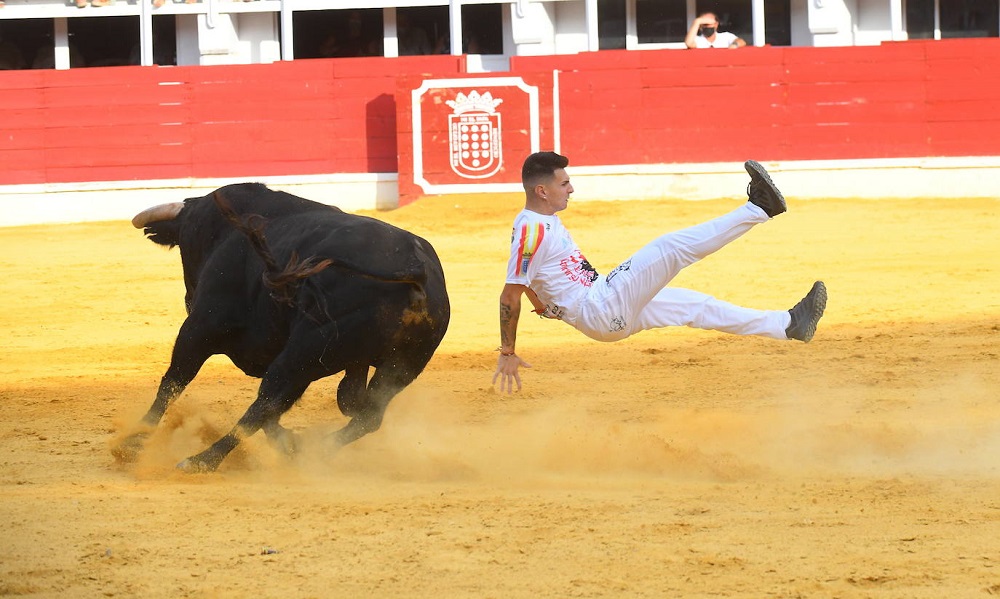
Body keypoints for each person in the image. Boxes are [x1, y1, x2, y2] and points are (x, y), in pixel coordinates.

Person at [492, 152, 827, 393]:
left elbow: (527, 279)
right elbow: (511, 292)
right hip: (600, 307)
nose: (571, 189)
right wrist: (508, 351)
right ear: (542, 191)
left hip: (600, 306)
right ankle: (760, 207)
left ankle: (788, 325)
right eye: (564, 183)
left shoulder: (539, 223)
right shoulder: (531, 230)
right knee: (670, 249)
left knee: (696, 306)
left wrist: (545, 305)